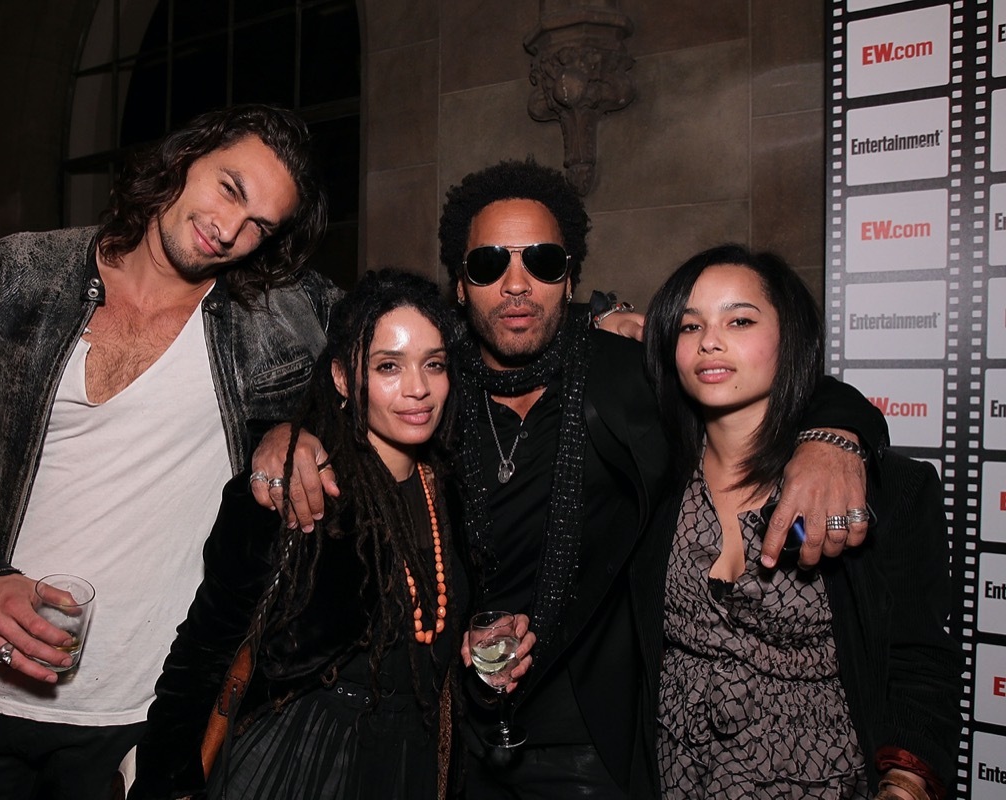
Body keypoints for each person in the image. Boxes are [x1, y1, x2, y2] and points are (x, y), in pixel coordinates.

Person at [252, 158, 890, 799]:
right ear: (460, 286)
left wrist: (835, 437)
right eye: (489, 264)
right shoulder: (431, 391)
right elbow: (347, 400)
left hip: (592, 743)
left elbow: (764, 379)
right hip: (453, 728)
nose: (516, 284)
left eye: (543, 262)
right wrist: (287, 435)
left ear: (570, 279)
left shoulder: (628, 373)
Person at [0, 104, 340, 800]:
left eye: (260, 224)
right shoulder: (21, 272)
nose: (230, 229)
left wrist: (297, 427)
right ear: (186, 157)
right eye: (229, 188)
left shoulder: (282, 315)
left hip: (140, 710)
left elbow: (398, 360)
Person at [129, 269, 533, 800]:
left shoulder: (451, 490)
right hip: (302, 760)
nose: (418, 388)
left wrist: (474, 653)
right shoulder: (297, 491)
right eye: (388, 366)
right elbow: (203, 654)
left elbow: (431, 649)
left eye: (433, 364)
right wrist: (166, 784)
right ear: (342, 377)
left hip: (413, 760)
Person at [637, 245, 960, 799]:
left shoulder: (885, 491)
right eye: (690, 326)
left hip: (824, 782)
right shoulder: (648, 480)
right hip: (674, 780)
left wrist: (905, 783)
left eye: (740, 320)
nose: (710, 341)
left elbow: (921, 662)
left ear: (790, 339)